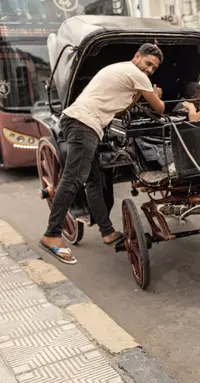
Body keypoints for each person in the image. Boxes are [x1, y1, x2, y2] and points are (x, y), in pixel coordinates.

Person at [40, 43, 166, 264]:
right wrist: (155, 94)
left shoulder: (122, 71)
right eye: (148, 63)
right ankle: (52, 235)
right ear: (137, 57)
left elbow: (119, 109)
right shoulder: (135, 73)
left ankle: (107, 232)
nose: (149, 70)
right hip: (83, 124)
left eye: (154, 68)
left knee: (94, 183)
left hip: (84, 124)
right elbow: (160, 108)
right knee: (74, 178)